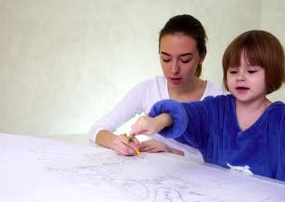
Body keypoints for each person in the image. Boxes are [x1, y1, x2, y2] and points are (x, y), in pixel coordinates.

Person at [130, 30, 285, 202]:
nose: (240, 77)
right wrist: (159, 121)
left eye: (252, 70)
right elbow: (190, 114)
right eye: (233, 70)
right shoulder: (215, 109)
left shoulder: (284, 123)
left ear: (273, 74)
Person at [89, 14, 224, 160]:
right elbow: (97, 129)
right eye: (166, 59)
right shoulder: (149, 89)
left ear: (201, 56)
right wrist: (116, 142)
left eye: (185, 60)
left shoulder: (217, 97)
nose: (173, 69)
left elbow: (223, 155)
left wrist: (171, 150)